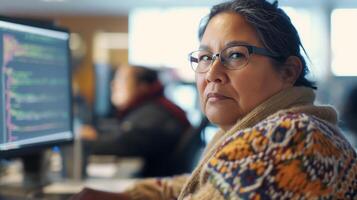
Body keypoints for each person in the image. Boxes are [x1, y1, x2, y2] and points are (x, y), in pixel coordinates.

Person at [71, 0, 357, 199]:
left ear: (288, 72)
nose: (212, 74)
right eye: (206, 57)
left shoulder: (293, 138)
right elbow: (206, 182)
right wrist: (128, 196)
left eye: (235, 55)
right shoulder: (270, 132)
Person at [81, 65, 191, 177]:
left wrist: (86, 142)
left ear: (142, 86)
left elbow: (127, 143)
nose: (113, 84)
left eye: (121, 80)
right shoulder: (151, 107)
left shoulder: (153, 112)